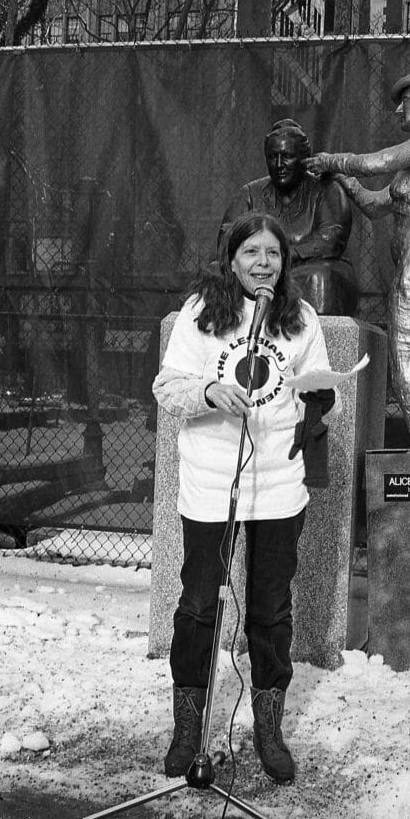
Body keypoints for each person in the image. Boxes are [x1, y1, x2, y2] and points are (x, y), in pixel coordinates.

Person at [152, 211, 336, 783]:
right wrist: (209, 389)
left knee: (271, 610)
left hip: (279, 485)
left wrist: (320, 404)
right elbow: (167, 386)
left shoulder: (300, 318)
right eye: (252, 252)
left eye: (273, 254)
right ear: (232, 259)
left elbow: (324, 385)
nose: (263, 263)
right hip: (211, 484)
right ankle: (188, 729)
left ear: (285, 264)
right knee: (198, 606)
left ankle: (269, 727)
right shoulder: (202, 314)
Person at [306, 60, 410, 451]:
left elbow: (377, 161)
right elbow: (376, 204)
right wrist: (345, 181)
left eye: (405, 102)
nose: (398, 111)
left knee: (403, 364)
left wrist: (333, 161)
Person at [218, 118, 358, 316]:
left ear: (304, 158)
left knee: (321, 277)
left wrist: (283, 256)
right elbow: (226, 241)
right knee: (213, 274)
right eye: (272, 157)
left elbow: (331, 239)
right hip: (257, 269)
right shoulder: (249, 193)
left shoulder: (327, 190)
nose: (279, 165)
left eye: (287, 157)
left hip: (306, 268)